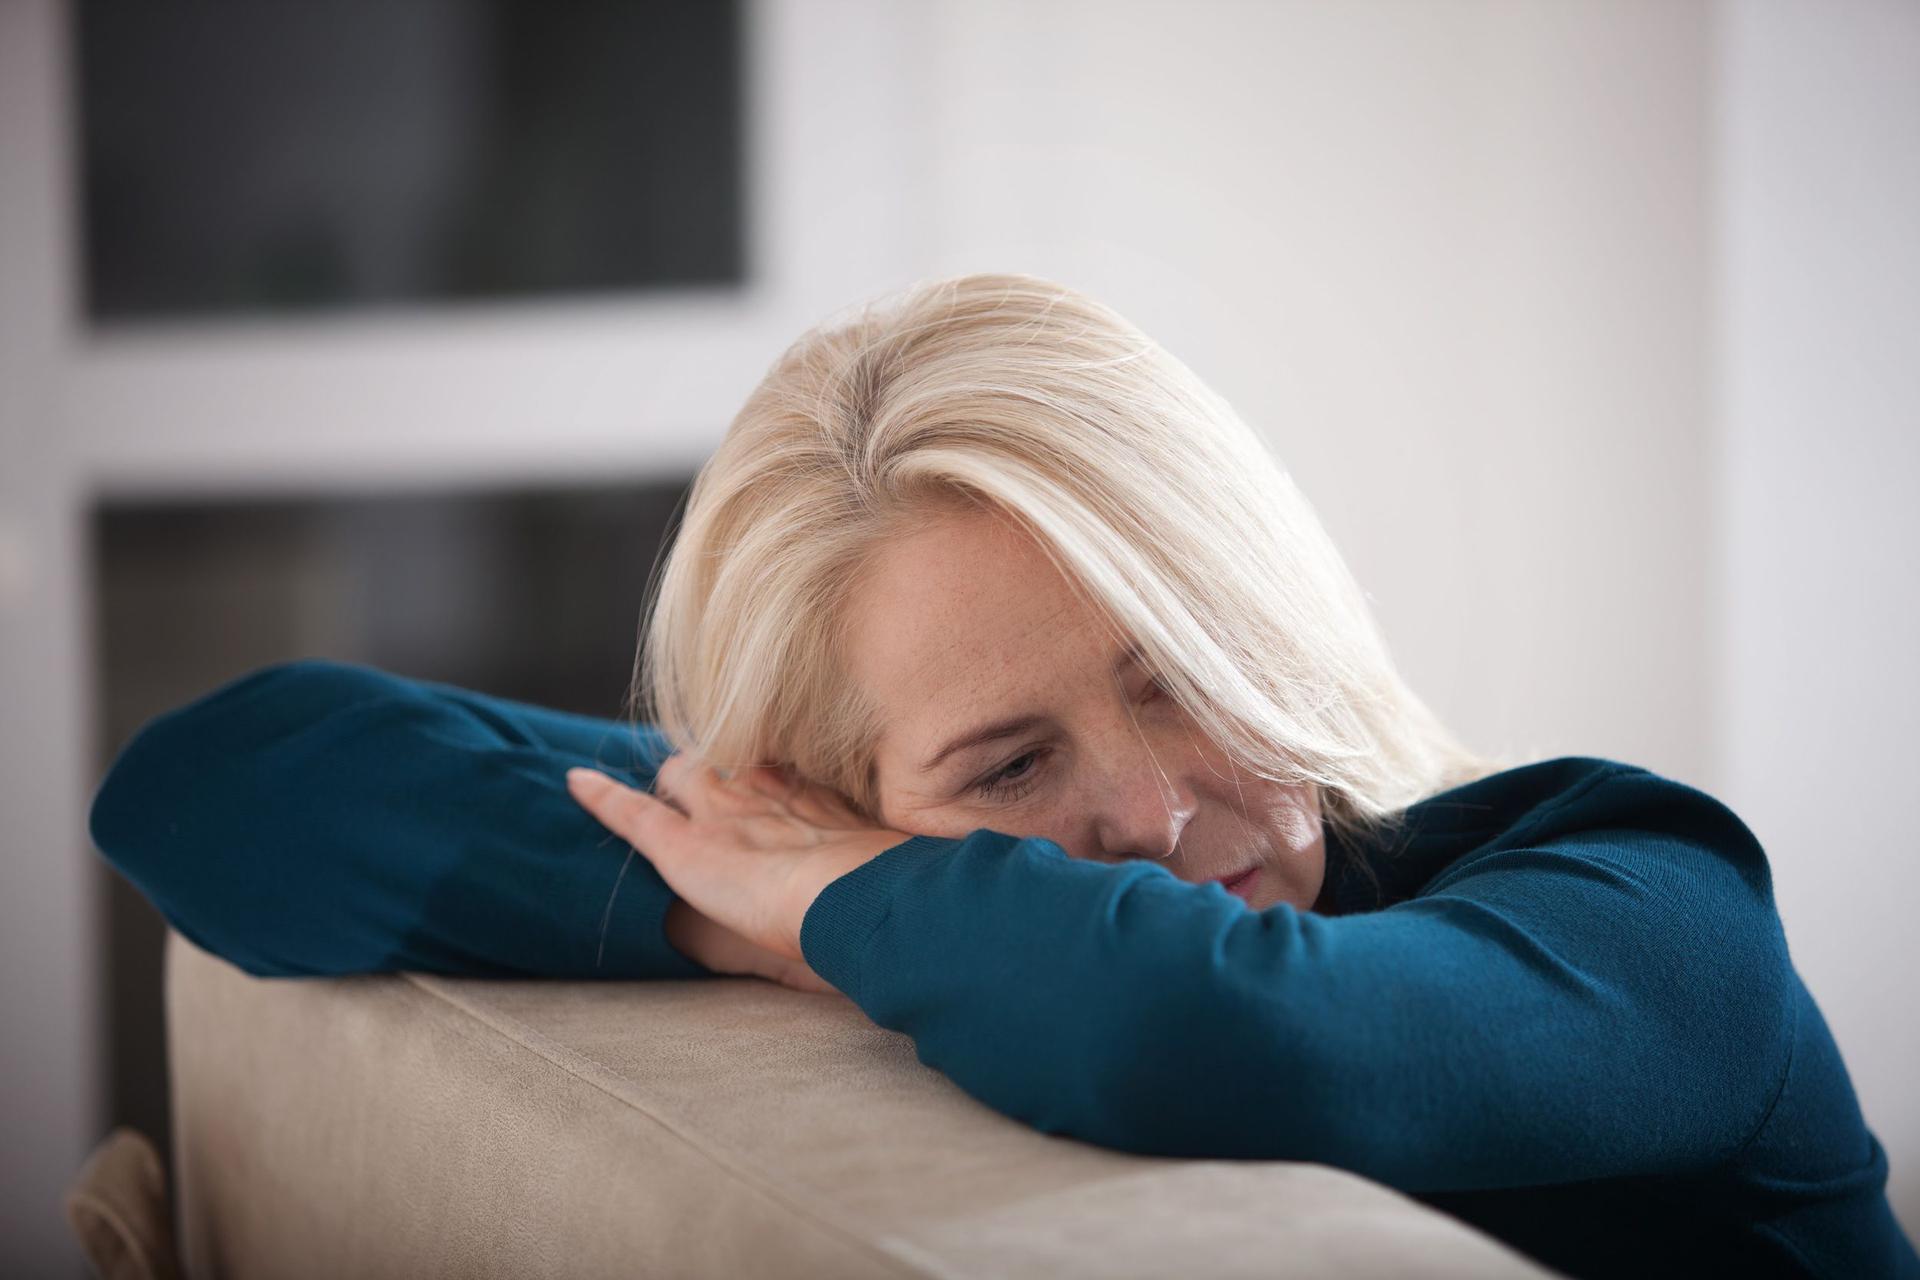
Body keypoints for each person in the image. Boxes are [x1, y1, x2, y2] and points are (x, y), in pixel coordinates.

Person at [90, 274, 1916, 1280]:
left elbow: (1230, 1032)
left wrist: (837, 904)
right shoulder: (844, 857)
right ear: (840, 797)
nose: (1148, 811)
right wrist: (785, 909)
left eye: (1176, 674)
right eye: (1012, 763)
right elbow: (214, 788)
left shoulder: (1649, 905)